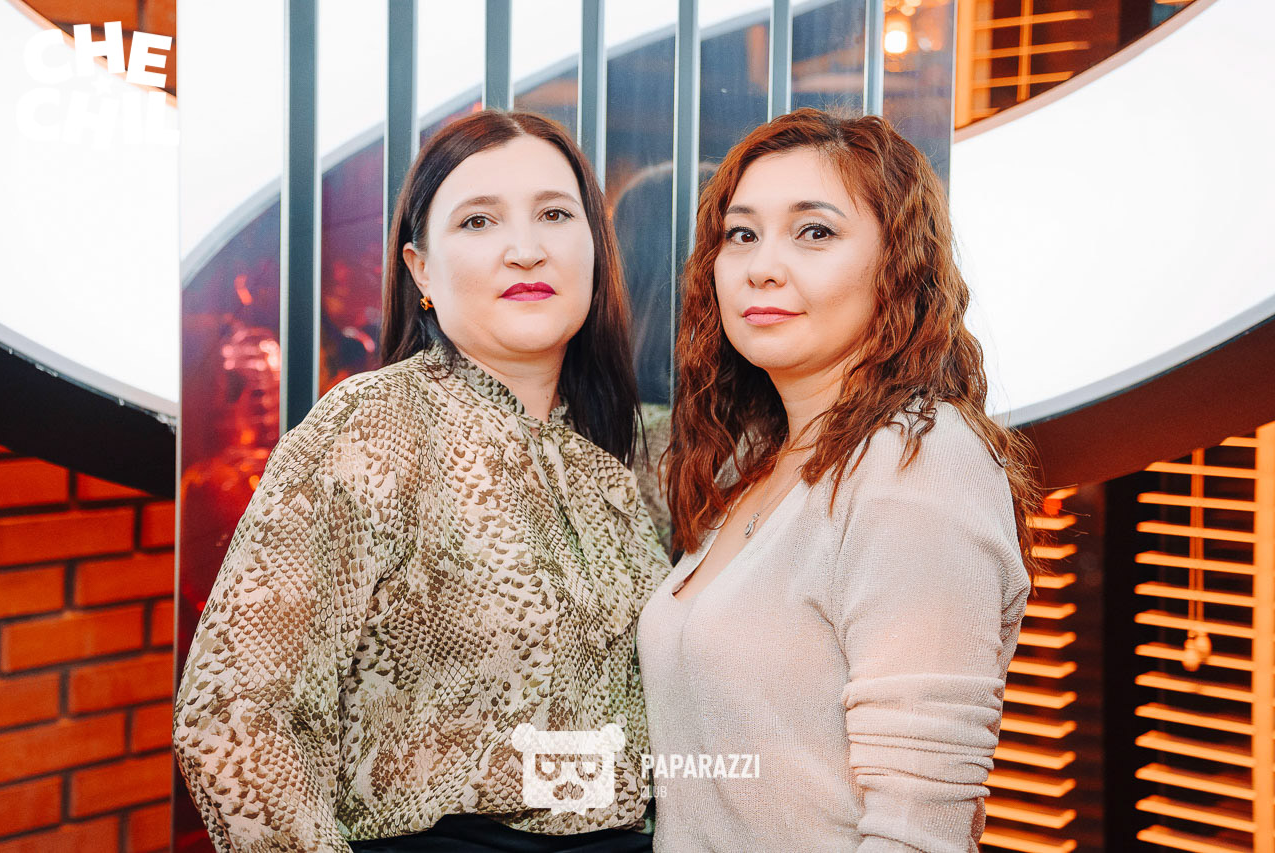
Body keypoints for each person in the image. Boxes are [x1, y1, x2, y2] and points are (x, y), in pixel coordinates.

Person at [173, 110, 670, 853]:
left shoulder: (625, 456)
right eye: (478, 221)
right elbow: (233, 718)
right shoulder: (376, 426)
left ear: (596, 250)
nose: (526, 249)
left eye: (555, 215)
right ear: (422, 270)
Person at [637, 108, 1044, 852]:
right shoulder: (753, 459)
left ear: (897, 265)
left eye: (814, 231)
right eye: (741, 234)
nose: (762, 265)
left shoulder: (916, 461)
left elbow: (918, 830)